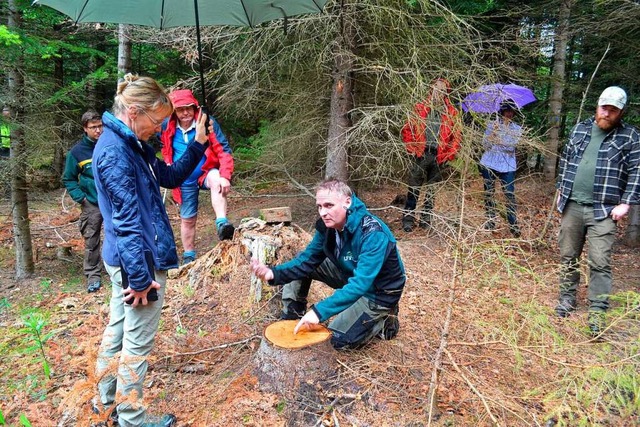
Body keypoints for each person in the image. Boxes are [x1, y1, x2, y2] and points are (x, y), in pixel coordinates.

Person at [92, 74, 209, 427]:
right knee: (136, 344)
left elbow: (171, 176)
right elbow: (126, 223)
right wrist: (141, 281)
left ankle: (105, 403)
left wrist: (199, 144)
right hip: (137, 262)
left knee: (116, 332)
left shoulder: (131, 146)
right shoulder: (115, 154)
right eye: (155, 121)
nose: (158, 129)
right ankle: (131, 417)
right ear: (132, 112)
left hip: (127, 258)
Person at [250, 179, 406, 350]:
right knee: (305, 264)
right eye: (319, 206)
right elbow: (307, 261)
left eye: (329, 205)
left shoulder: (373, 233)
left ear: (348, 202)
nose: (323, 212)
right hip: (350, 275)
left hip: (378, 292)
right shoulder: (328, 227)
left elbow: (360, 284)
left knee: (336, 341)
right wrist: (273, 273)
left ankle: (384, 321)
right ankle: (292, 318)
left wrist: (319, 312)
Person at [555, 86, 640, 337]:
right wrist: (561, 187)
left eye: (613, 110)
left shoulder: (630, 136)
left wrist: (626, 202)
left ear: (621, 112)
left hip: (604, 209)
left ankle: (598, 310)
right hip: (572, 204)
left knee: (600, 261)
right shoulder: (580, 128)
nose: (607, 113)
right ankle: (567, 299)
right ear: (598, 105)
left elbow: (637, 171)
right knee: (568, 255)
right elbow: (567, 159)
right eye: (604, 107)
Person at [160, 89, 234, 265]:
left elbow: (223, 150)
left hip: (206, 172)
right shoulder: (166, 126)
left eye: (189, 108)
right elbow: (162, 146)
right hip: (182, 179)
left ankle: (222, 223)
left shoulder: (206, 123)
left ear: (195, 107)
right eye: (180, 109)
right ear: (173, 111)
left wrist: (226, 176)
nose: (185, 112)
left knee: (217, 179)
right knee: (188, 218)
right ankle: (189, 256)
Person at [401, 78, 461, 232]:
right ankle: (408, 219)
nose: (438, 93)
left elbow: (457, 137)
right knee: (414, 188)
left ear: (446, 93)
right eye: (436, 89)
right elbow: (407, 129)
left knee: (431, 191)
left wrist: (449, 155)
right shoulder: (420, 108)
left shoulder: (452, 113)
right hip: (421, 154)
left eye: (441, 90)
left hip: (438, 156)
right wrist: (412, 148)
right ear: (431, 89)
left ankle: (426, 220)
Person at [62, 111, 105, 293]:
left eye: (100, 126)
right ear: (85, 129)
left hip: (113, 200)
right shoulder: (77, 152)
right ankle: (93, 274)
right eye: (93, 127)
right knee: (91, 238)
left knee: (120, 233)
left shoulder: (109, 144)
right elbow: (69, 179)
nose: (98, 130)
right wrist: (82, 198)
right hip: (92, 203)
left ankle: (121, 267)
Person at [478, 99, 523, 237]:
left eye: (511, 111)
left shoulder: (517, 129)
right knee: (489, 192)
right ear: (502, 112)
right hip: (489, 163)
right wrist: (493, 134)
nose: (508, 114)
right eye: (506, 111)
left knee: (509, 194)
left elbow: (511, 146)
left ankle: (513, 224)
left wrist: (500, 138)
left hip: (507, 165)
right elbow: (485, 145)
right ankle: (490, 220)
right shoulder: (492, 125)